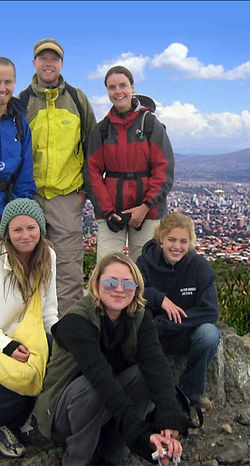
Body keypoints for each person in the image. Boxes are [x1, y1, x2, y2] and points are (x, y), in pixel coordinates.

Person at [34, 252, 191, 466]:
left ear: (136, 289)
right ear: (96, 284)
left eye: (127, 284)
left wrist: (168, 420)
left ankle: (113, 453)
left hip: (108, 407)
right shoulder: (76, 321)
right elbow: (101, 378)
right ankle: (78, 459)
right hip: (64, 412)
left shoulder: (140, 317)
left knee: (143, 374)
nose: (119, 289)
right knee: (90, 386)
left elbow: (156, 365)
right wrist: (140, 434)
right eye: (110, 282)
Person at [19, 38, 96, 315]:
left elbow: (93, 146)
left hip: (67, 197)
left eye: (54, 58)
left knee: (68, 267)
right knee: (27, 262)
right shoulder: (23, 102)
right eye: (43, 58)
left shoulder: (77, 99)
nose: (48, 63)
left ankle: (68, 333)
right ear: (34, 63)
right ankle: (31, 328)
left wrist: (84, 191)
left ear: (61, 64)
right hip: (31, 195)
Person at [86, 65, 174, 263]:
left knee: (145, 267)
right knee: (106, 265)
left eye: (122, 85)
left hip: (148, 210)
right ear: (107, 91)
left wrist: (145, 206)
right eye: (112, 87)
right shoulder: (102, 130)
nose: (118, 92)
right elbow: (92, 172)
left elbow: (164, 170)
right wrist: (108, 212)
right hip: (111, 210)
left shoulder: (150, 125)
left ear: (132, 87)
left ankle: (141, 296)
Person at [136, 211, 221, 409]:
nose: (177, 247)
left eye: (183, 241)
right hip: (154, 332)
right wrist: (159, 299)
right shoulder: (145, 262)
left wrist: (170, 322)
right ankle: (143, 390)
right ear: (161, 238)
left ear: (190, 242)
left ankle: (190, 391)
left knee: (209, 335)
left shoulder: (200, 268)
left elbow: (210, 311)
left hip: (184, 331)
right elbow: (135, 292)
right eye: (171, 239)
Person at [0, 197, 58, 458]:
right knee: (20, 375)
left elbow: (48, 310)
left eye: (31, 227)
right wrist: (7, 346)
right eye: (17, 229)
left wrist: (59, 342)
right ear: (7, 234)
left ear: (41, 228)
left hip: (28, 337)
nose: (25, 235)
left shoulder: (48, 256)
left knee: (51, 357)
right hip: (4, 341)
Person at [0, 57, 35, 216]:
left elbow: (25, 174)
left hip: (8, 206)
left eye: (7, 82)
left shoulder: (19, 122)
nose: (2, 88)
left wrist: (17, 210)